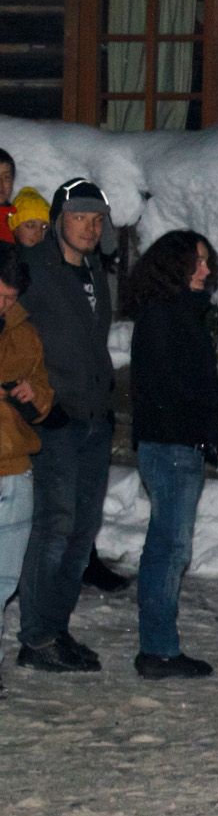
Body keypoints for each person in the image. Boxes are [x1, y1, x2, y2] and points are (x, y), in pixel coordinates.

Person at [125, 230, 218, 679]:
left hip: (177, 444)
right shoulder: (164, 315)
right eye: (197, 261)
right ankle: (158, 650)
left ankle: (159, 646)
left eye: (207, 261)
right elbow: (178, 386)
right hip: (171, 445)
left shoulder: (179, 313)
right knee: (169, 549)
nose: (206, 270)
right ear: (175, 266)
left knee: (169, 547)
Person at [15, 177, 117, 674]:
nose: (89, 228)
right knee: (54, 527)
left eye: (97, 219)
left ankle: (54, 628)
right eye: (79, 217)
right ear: (59, 220)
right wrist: (32, 396)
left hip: (94, 417)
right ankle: (36, 638)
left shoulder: (95, 270)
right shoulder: (34, 270)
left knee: (82, 531)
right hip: (55, 419)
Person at [0, 244, 54, 698]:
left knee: (3, 580)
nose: (4, 305)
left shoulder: (25, 333)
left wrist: (32, 395)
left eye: (11, 297)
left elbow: (44, 395)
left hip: (15, 467)